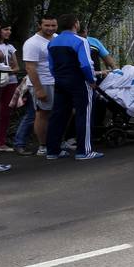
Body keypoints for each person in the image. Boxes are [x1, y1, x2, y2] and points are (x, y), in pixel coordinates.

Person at [44, 15, 102, 161]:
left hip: (60, 80)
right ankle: (84, 151)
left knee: (58, 115)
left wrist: (58, 77)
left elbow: (51, 65)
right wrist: (91, 80)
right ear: (75, 24)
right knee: (84, 114)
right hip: (78, 81)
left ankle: (52, 150)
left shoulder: (53, 42)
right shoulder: (80, 41)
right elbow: (85, 64)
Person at [14, 14, 57, 156]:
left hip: (58, 82)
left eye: (53, 25)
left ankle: (55, 141)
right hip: (42, 83)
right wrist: (38, 89)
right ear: (40, 25)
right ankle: (43, 146)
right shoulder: (32, 43)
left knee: (60, 112)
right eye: (47, 25)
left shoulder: (57, 38)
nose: (50, 28)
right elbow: (30, 67)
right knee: (41, 114)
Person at [0, 21, 19, 154]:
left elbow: (16, 67)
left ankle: (1, 142)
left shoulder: (10, 47)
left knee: (5, 112)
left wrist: (7, 70)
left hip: (10, 81)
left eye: (10, 29)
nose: (8, 32)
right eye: (5, 29)